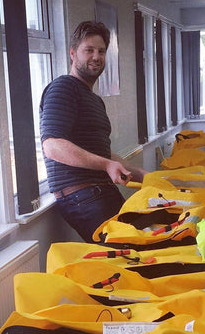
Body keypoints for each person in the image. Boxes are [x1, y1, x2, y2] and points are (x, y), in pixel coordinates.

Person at [39, 20, 148, 243]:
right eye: (88, 50)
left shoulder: (94, 100)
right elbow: (52, 145)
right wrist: (107, 165)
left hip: (100, 192)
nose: (96, 56)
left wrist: (140, 173)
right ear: (72, 53)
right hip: (83, 196)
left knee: (140, 248)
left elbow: (103, 154)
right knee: (130, 255)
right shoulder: (63, 88)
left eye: (101, 51)